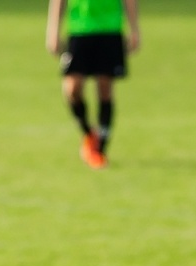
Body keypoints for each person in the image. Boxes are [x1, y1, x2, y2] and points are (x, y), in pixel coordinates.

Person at [46, 0, 139, 169]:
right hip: (80, 27)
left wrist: (134, 29)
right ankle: (89, 134)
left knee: (105, 88)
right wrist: (53, 30)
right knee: (72, 88)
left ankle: (99, 150)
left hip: (109, 28)